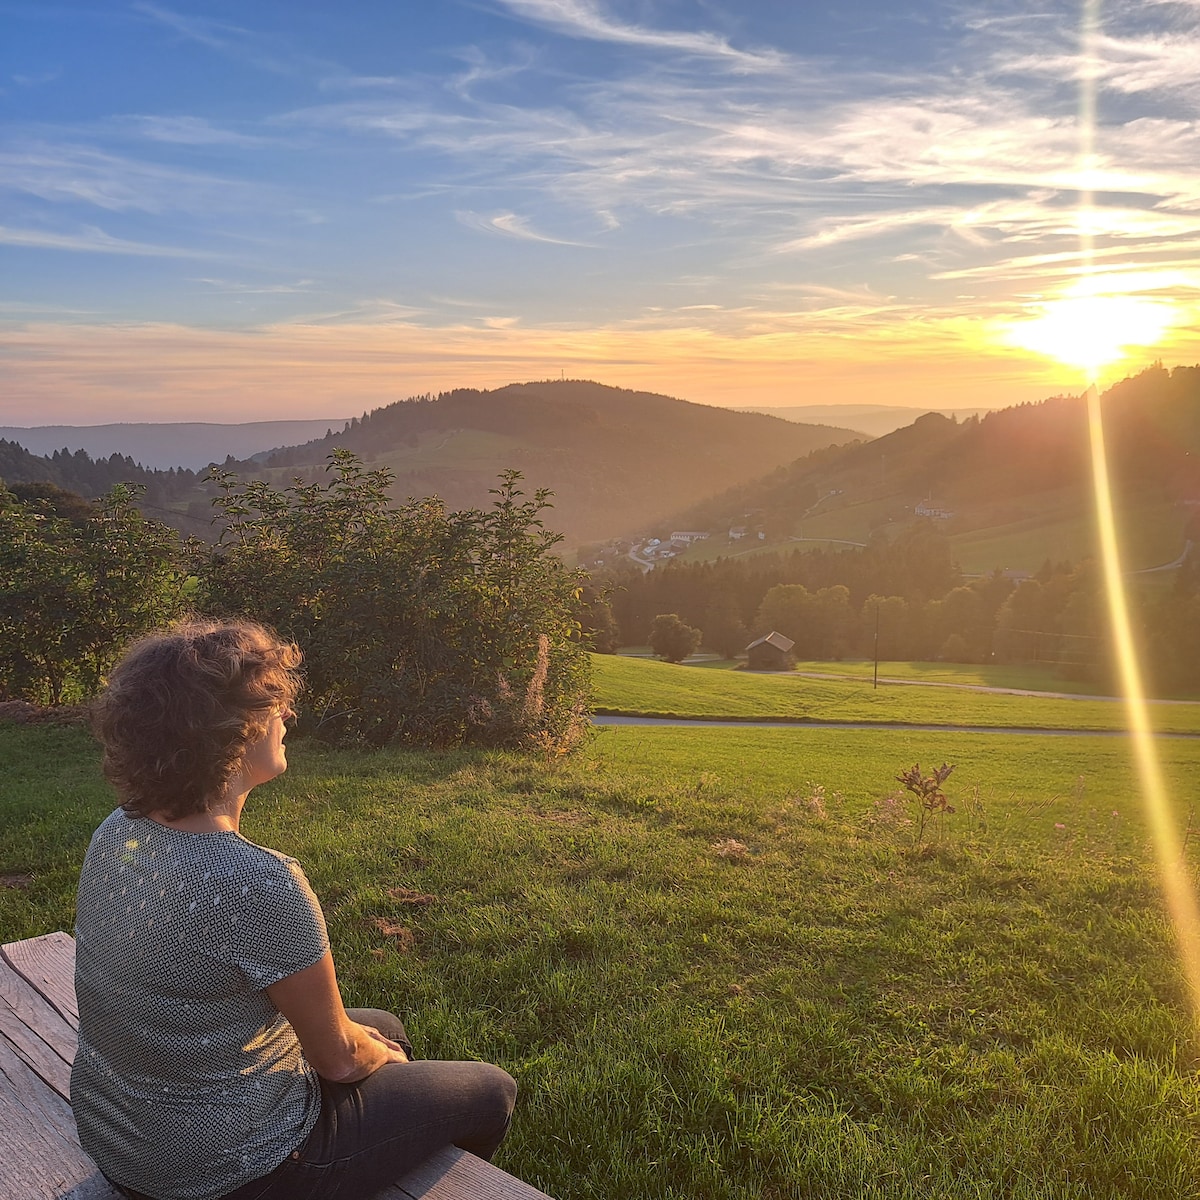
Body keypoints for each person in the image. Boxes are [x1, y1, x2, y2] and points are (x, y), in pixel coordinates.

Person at [73, 619, 516, 1200]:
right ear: (232, 733)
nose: (287, 719)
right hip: (231, 1173)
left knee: (385, 1023)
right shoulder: (257, 882)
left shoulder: (119, 831)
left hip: (123, 1143)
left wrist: (375, 1048)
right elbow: (338, 1061)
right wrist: (382, 1060)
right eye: (274, 707)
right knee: (491, 1088)